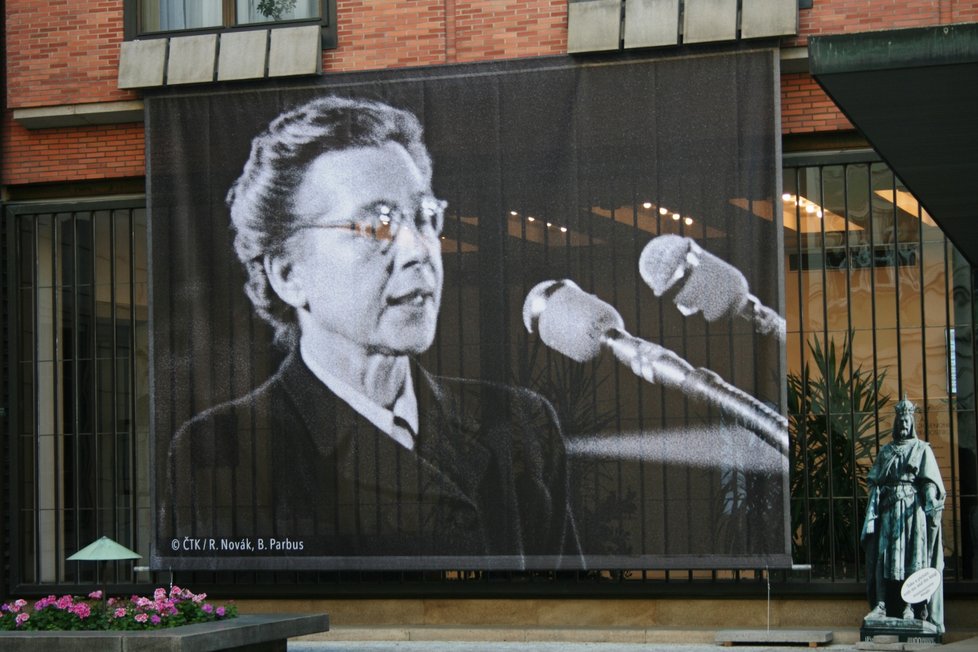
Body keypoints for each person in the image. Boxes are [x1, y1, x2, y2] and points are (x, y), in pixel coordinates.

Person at [158, 95, 582, 568]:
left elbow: (566, 612)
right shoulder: (223, 452)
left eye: (424, 217)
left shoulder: (521, 426)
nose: (418, 250)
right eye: (377, 225)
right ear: (288, 274)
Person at [861, 395, 945, 632]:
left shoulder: (921, 449)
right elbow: (873, 480)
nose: (903, 424)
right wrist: (876, 496)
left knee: (912, 558)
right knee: (884, 558)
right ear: (896, 423)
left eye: (907, 420)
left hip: (912, 512)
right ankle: (882, 604)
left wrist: (929, 497)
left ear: (912, 423)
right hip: (888, 510)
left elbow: (929, 481)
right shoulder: (886, 451)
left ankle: (911, 606)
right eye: (900, 420)